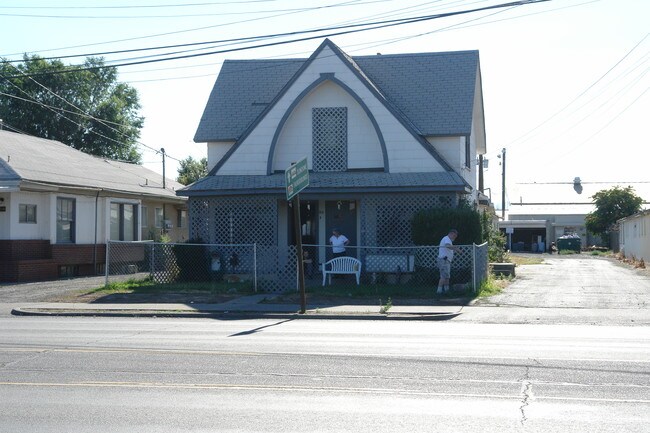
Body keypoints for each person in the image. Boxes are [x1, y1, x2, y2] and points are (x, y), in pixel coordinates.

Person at [437, 229, 460, 295]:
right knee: (443, 276)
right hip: (443, 260)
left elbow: (448, 247)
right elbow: (447, 246)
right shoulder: (446, 238)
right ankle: (439, 291)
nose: (455, 237)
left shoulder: (448, 240)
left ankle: (446, 290)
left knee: (447, 276)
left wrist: (455, 249)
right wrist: (456, 248)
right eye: (454, 236)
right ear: (451, 233)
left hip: (446, 261)